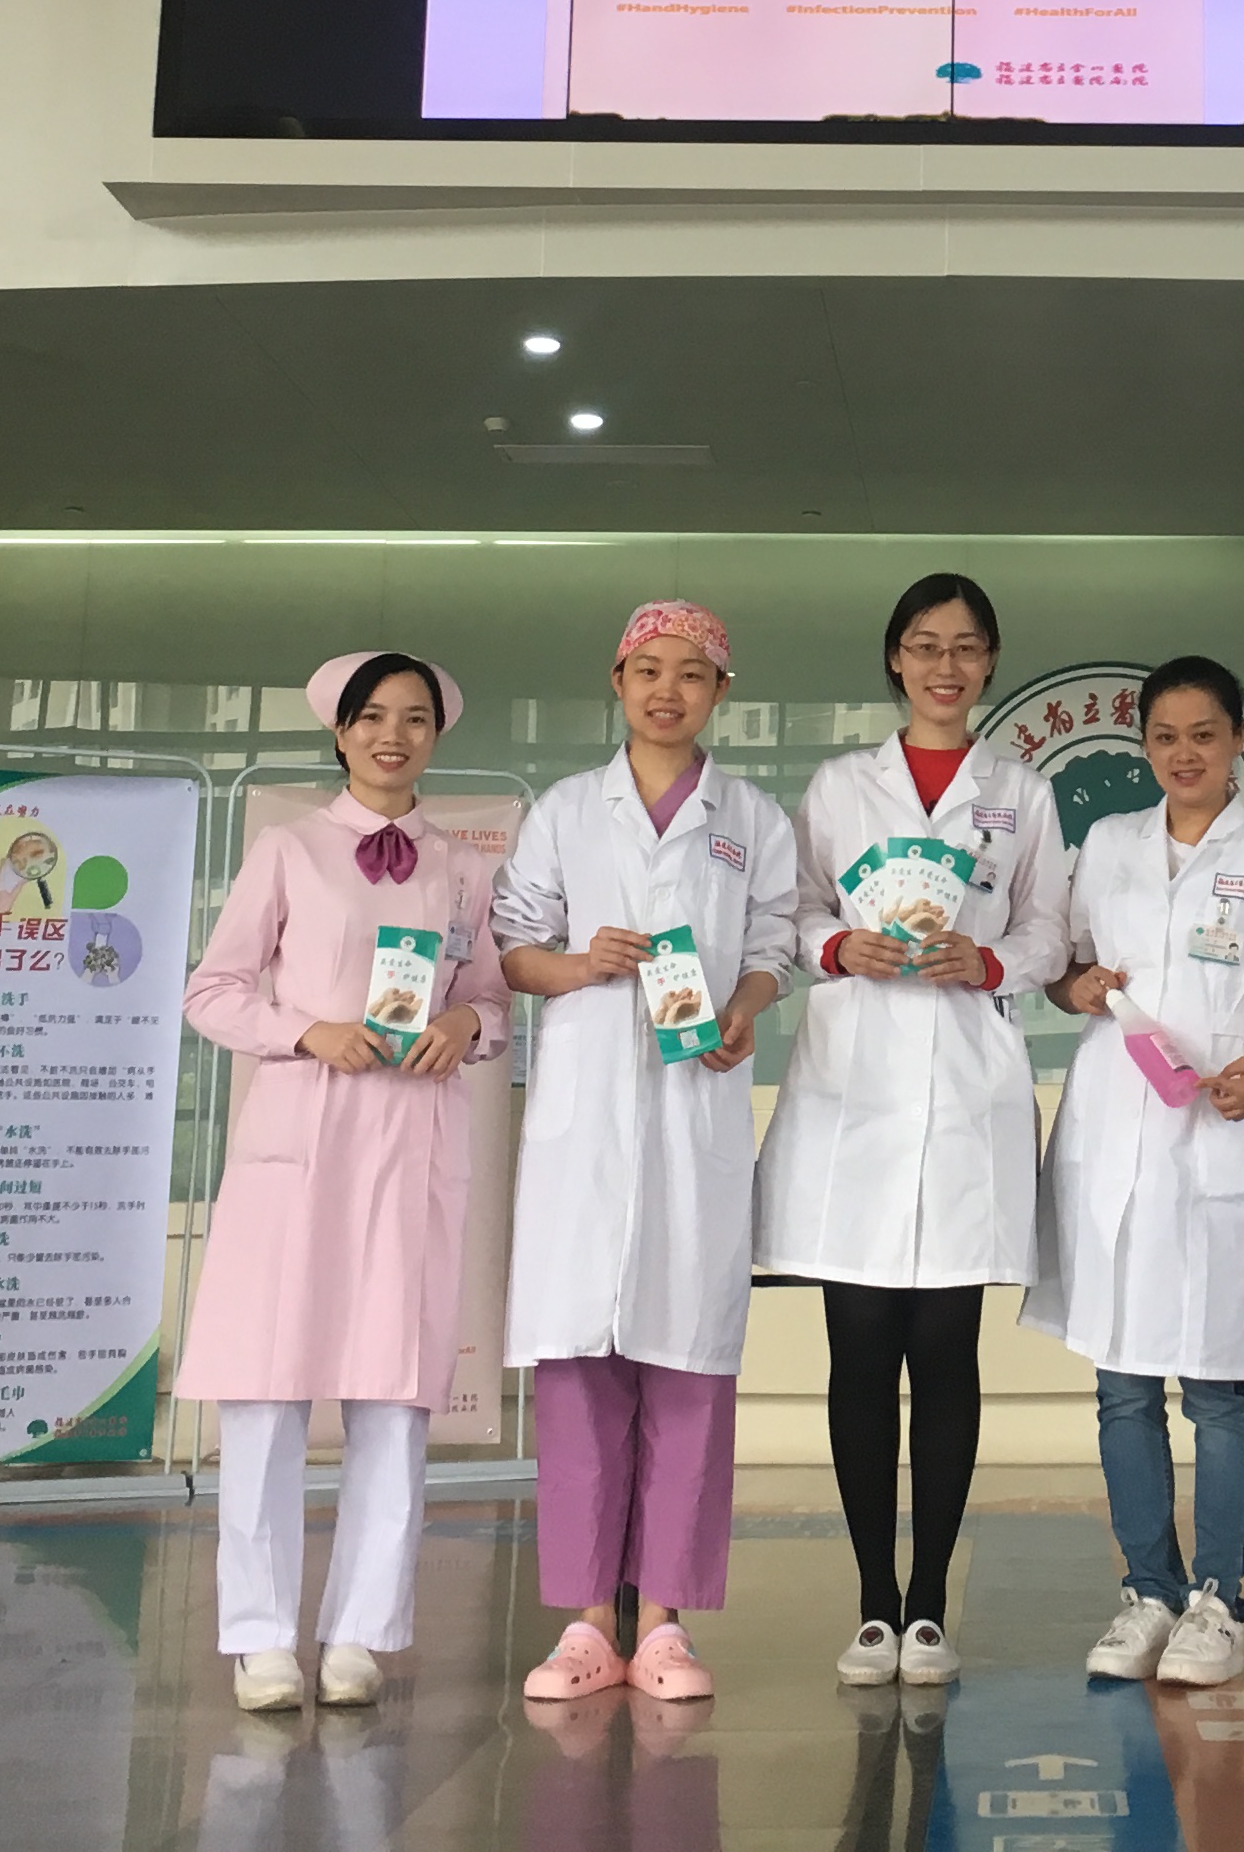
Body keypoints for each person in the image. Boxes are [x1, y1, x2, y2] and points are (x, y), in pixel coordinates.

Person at [175, 649, 512, 1715]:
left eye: (414, 719)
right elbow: (212, 990)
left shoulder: (461, 870)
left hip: (408, 1145)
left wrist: (463, 1023)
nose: (391, 737)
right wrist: (305, 1031)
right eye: (372, 717)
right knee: (267, 1394)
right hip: (301, 1145)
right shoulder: (288, 849)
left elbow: (493, 1002)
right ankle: (260, 1636)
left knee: (391, 1398)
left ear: (436, 737)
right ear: (339, 732)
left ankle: (361, 1631)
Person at [756, 570, 1069, 1687]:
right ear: (895, 657)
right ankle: (871, 1605)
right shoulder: (841, 786)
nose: (947, 665)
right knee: (857, 1356)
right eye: (926, 645)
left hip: (967, 1085)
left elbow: (1049, 929)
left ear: (991, 662)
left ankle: (929, 1600)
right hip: (855, 1090)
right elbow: (792, 910)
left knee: (945, 1355)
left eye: (967, 647)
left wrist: (988, 961)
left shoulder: (1020, 790)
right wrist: (839, 946)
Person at [498, 599, 800, 1705]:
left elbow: (774, 941)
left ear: (722, 691)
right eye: (648, 670)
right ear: (617, 681)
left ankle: (665, 1621)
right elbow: (512, 947)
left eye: (692, 673)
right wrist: (581, 964)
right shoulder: (567, 810)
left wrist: (745, 1009)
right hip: (586, 1116)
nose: (668, 691)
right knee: (580, 1370)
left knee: (687, 1366)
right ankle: (586, 1624)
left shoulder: (749, 817)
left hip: (693, 1106)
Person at [1030, 654, 1244, 1689]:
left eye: (1204, 734)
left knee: (1215, 1380)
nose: (1184, 753)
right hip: (1115, 1124)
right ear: (1144, 746)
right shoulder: (1110, 844)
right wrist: (1080, 988)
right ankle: (1147, 1591)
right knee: (1122, 1382)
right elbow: (1066, 972)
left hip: (1217, 1122)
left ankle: (1217, 1599)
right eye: (1164, 736)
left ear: (1238, 738)